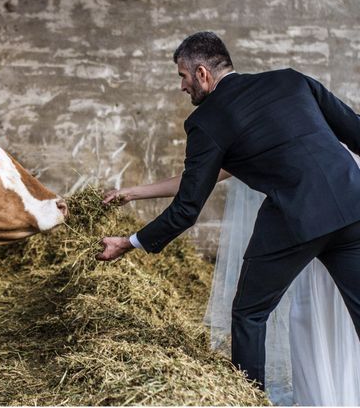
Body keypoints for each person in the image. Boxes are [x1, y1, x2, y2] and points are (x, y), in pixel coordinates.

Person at [95, 31, 360, 394]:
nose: (182, 87)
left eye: (182, 76)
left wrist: (130, 242)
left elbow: (188, 208)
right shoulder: (291, 80)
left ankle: (247, 400)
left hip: (295, 219)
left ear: (202, 73)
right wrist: (134, 193)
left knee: (250, 314)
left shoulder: (208, 121)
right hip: (353, 206)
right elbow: (356, 133)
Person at [103, 164, 360, 404]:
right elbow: (207, 175)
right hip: (339, 217)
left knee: (259, 313)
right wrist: (134, 192)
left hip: (316, 222)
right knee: (310, 313)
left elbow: (199, 184)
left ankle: (255, 399)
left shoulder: (250, 120)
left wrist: (130, 240)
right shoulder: (298, 120)